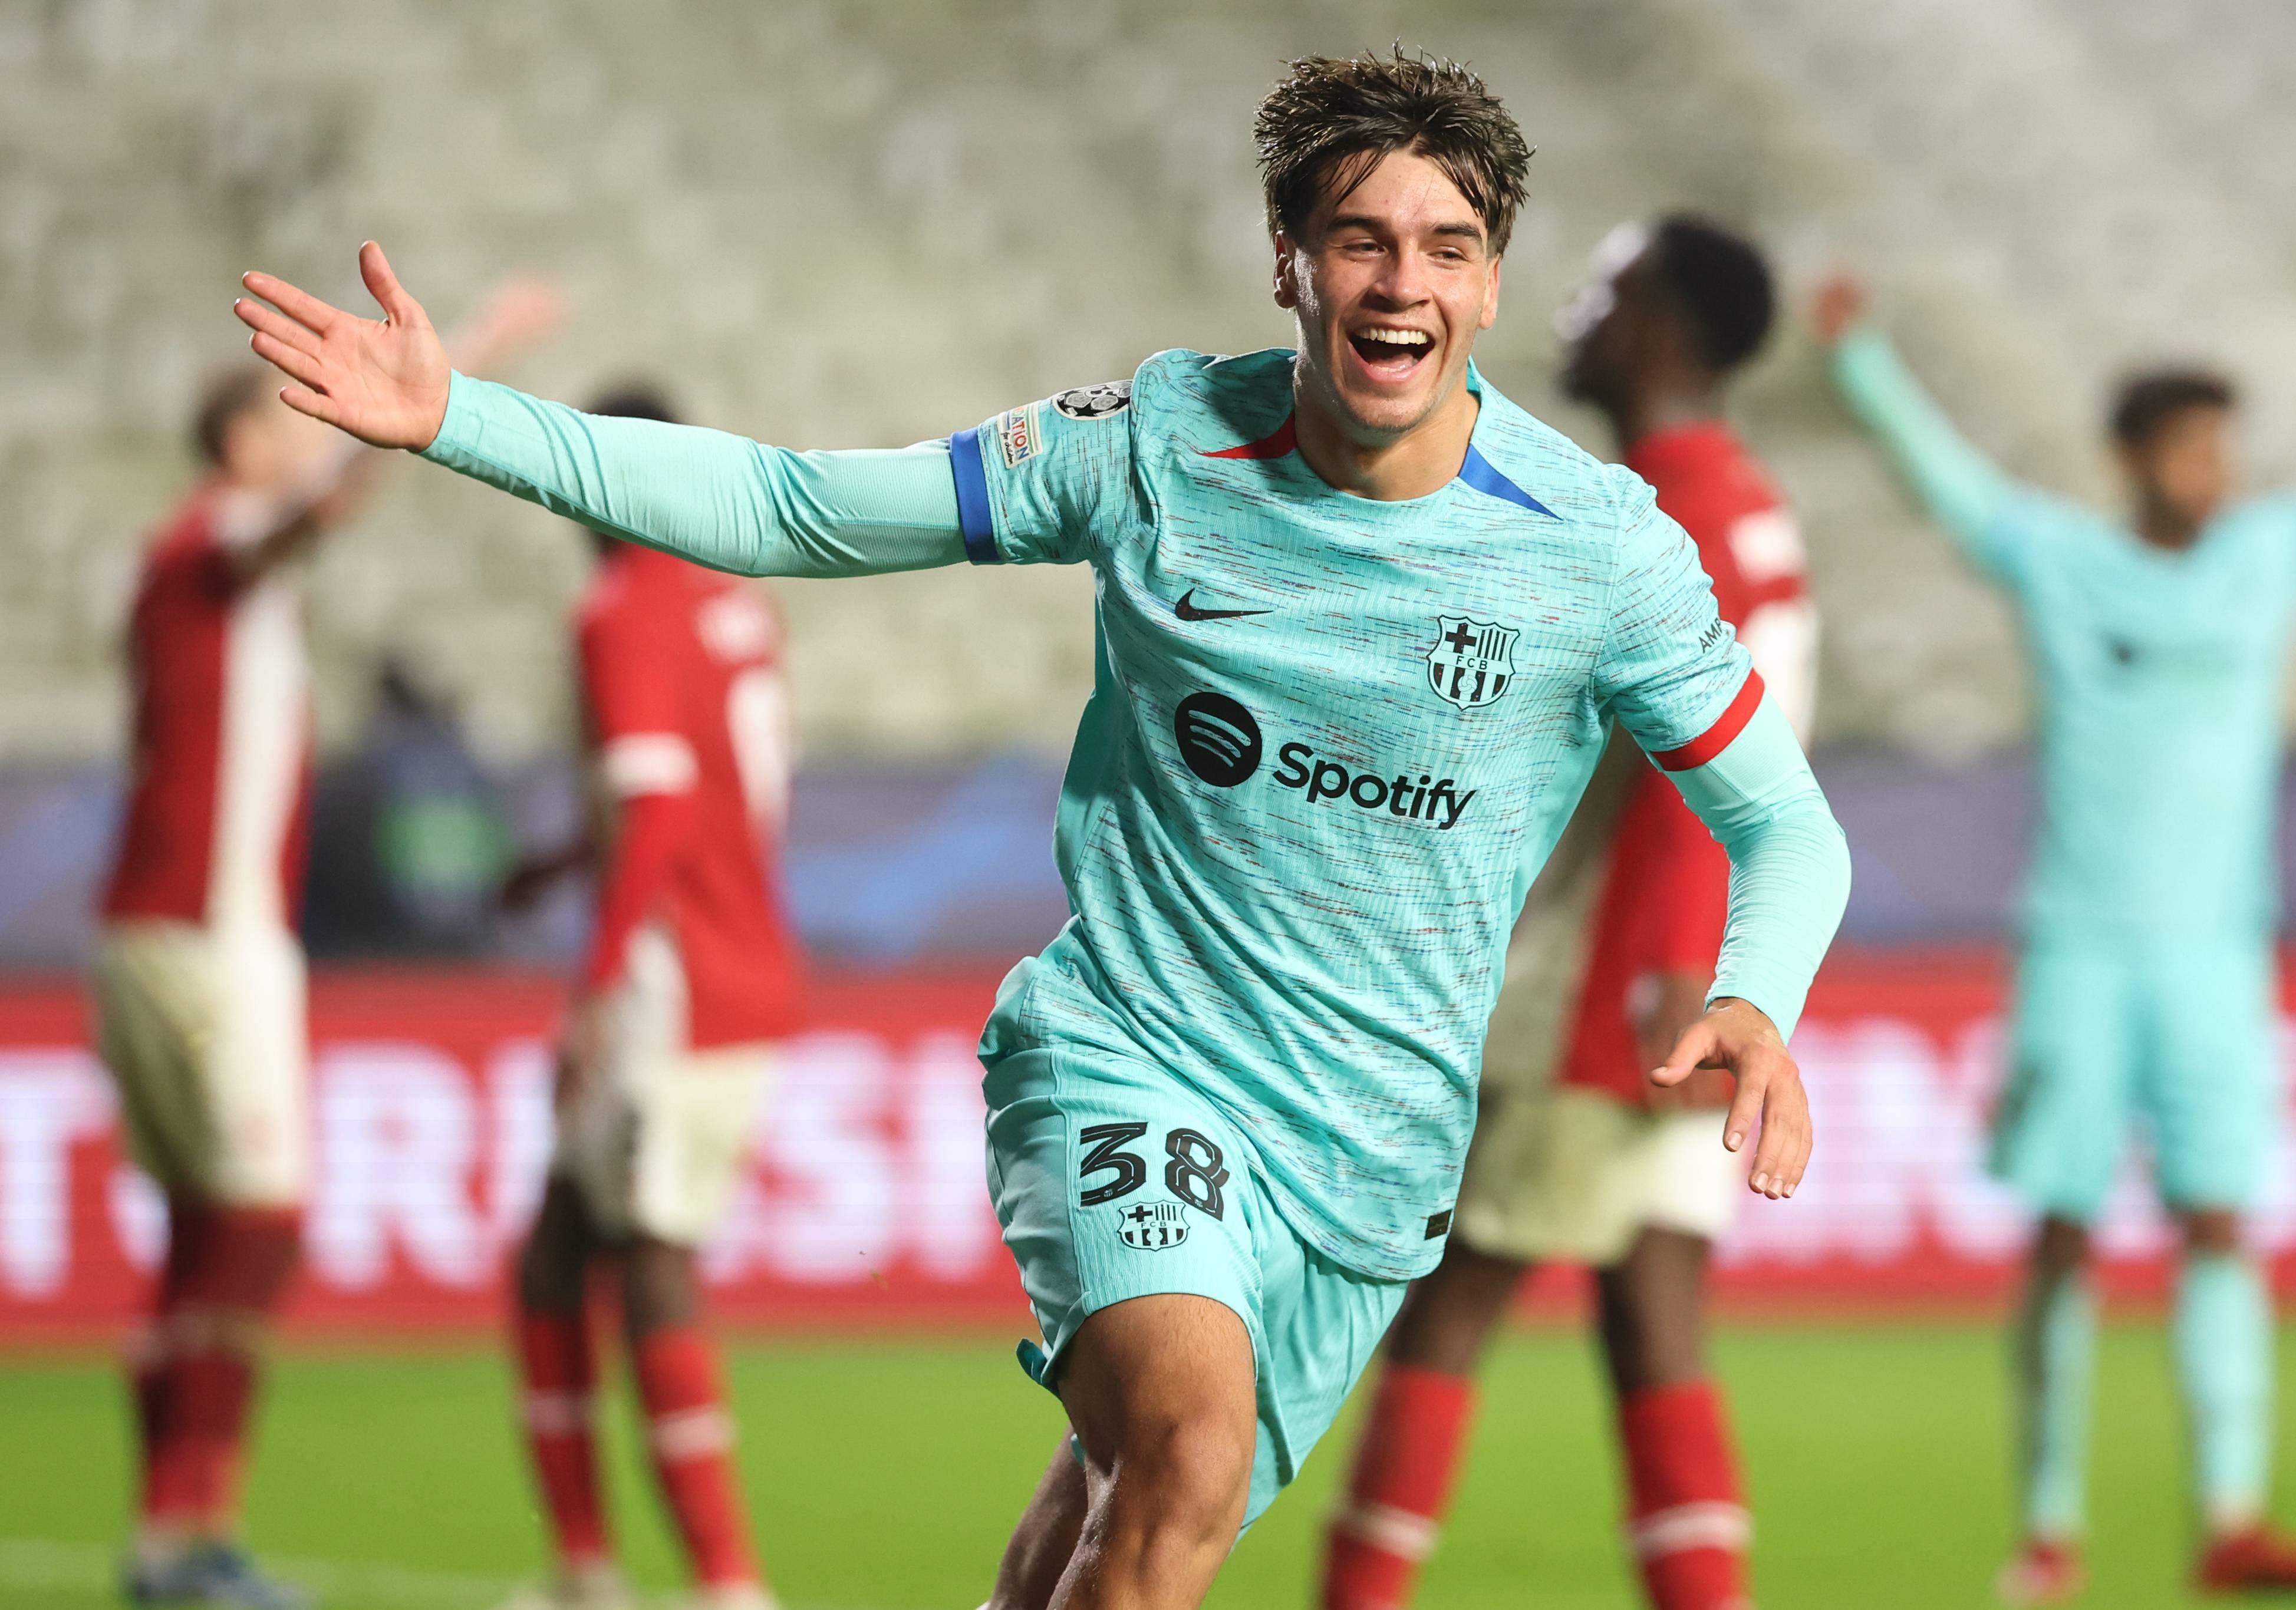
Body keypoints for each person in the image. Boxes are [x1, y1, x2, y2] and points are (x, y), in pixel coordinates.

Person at [230, 49, 1853, 1610]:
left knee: (1119, 1503)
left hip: (1370, 1153)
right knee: (1190, 1447)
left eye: (1446, 247)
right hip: (1131, 1052)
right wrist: (460, 417)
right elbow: (796, 505)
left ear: (1493, 283)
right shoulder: (1149, 447)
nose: (1401, 285)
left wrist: (1758, 992)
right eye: (1359, 239)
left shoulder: (1596, 550)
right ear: (1286, 261)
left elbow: (1786, 823)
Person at [1808, 263, 2296, 1602]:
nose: (2209, 471)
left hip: (2210, 952)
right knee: (2060, 1233)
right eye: (2185, 448)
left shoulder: (2271, 551)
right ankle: (2048, 1530)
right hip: (2078, 942)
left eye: (2218, 449)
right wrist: (1860, 367)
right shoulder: (2059, 558)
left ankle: (2230, 1515)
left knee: (2219, 1220)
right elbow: (1939, 484)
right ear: (2130, 459)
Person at [1322, 216, 1814, 1610]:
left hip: (1626, 978)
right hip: (1719, 972)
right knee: (1653, 1321)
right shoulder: (1738, 495)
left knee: (1453, 1290)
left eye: (1609, 285)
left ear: (1662, 323)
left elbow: (1689, 768)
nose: (1579, 307)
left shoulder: (1661, 506)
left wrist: (1660, 964)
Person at [94, 285, 559, 1608]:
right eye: (283, 423)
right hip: (203, 939)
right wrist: (466, 357)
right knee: (261, 1223)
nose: (306, 437)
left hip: (156, 933)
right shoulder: (218, 537)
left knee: (201, 1236)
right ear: (239, 443)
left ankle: (164, 1535)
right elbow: (325, 499)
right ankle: (194, 1531)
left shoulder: (182, 561)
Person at [483, 385, 805, 1610]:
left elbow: (663, 811)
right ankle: (581, 1570)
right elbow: (705, 789)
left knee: (652, 1252)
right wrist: (570, 856)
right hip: (742, 953)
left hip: (675, 984)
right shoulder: (733, 603)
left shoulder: (618, 611)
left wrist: (595, 983)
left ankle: (728, 1584)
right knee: (553, 1256)